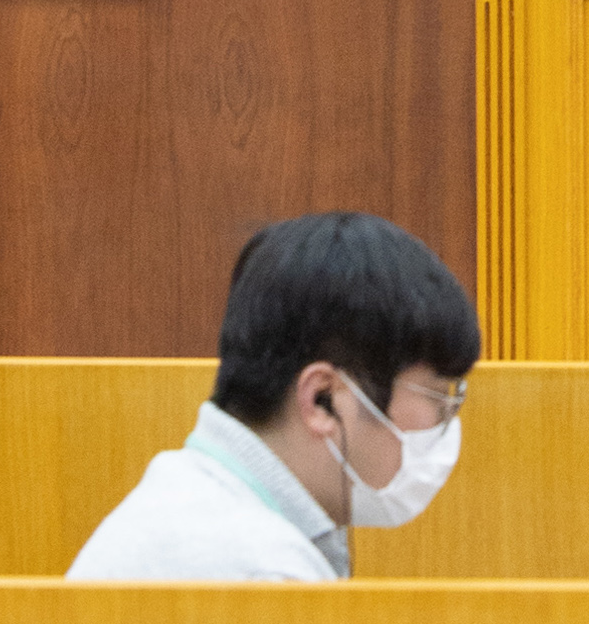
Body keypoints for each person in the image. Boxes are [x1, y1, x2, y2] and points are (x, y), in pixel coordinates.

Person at [67, 212, 479, 582]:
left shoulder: (198, 495)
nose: (447, 425)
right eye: (439, 398)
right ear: (323, 399)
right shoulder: (260, 575)